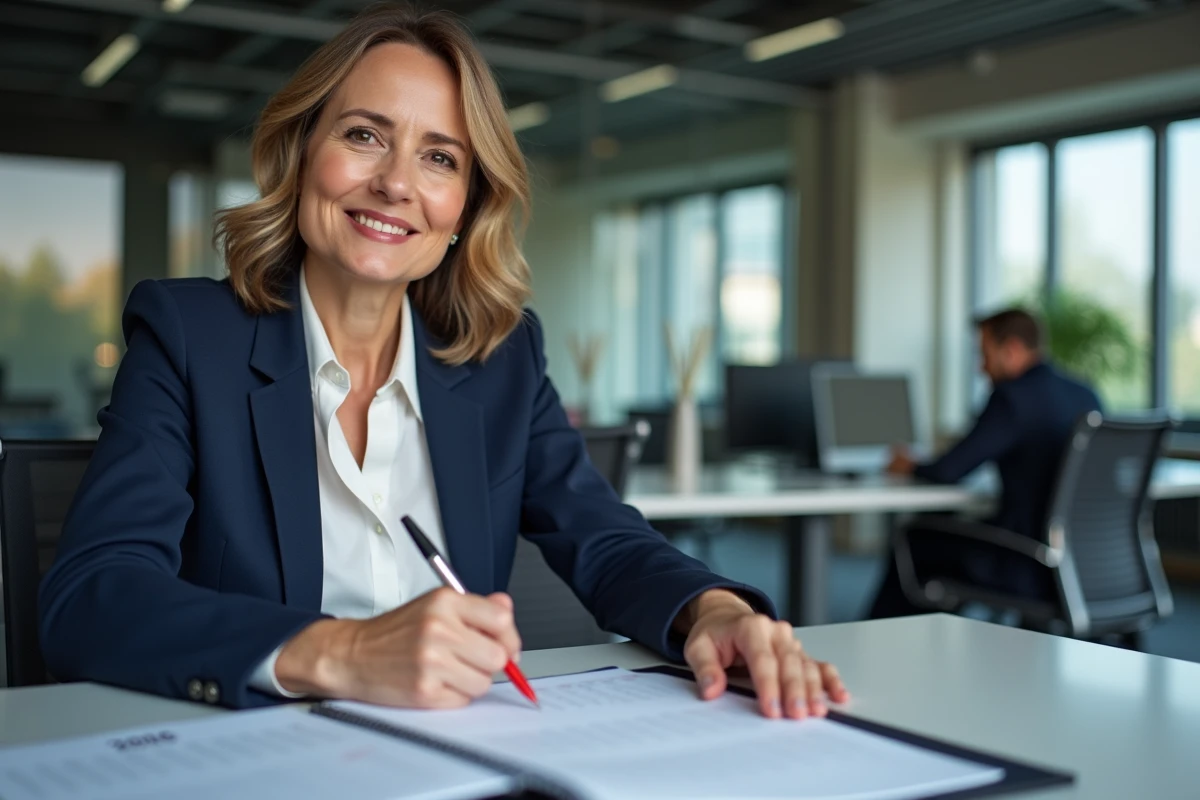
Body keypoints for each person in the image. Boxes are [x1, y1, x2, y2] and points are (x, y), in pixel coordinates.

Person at [38, 4, 846, 719]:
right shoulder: (190, 336)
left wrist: (712, 611)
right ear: (299, 153)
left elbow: (604, 538)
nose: (395, 184)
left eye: (439, 158)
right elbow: (92, 597)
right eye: (364, 136)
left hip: (458, 755)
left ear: (464, 209)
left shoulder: (500, 359)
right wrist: (339, 651)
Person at [867, 308, 1102, 618]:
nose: (981, 368)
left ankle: (881, 642)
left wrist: (908, 464)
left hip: (1026, 563)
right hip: (1082, 563)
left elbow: (949, 470)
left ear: (1012, 350)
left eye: (985, 354)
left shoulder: (1012, 398)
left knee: (914, 538)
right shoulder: (1085, 394)